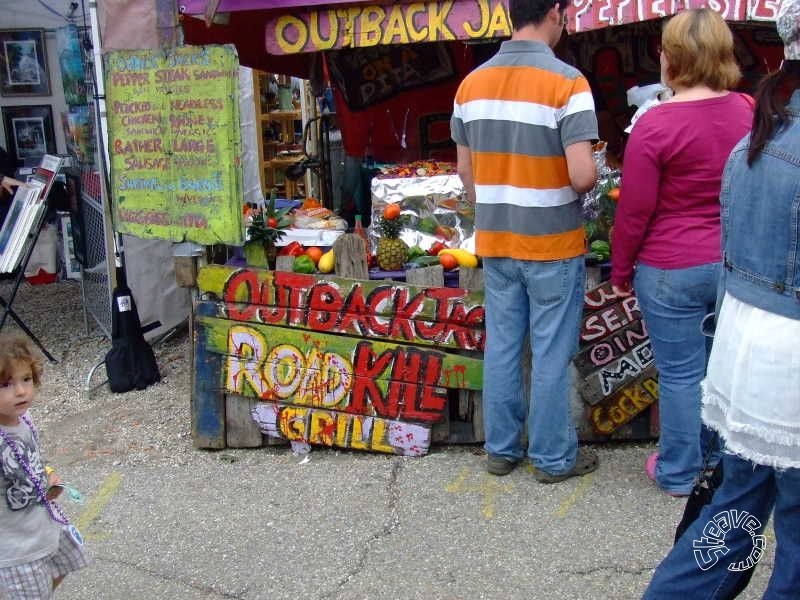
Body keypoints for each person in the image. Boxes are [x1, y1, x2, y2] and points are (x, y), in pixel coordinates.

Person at [642, 1, 800, 595]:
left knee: (736, 507)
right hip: (787, 356)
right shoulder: (749, 121)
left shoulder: (762, 133)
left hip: (749, 346)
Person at [451, 0, 599, 482]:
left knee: (503, 346)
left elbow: (466, 178)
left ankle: (501, 450)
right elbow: (581, 177)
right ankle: (554, 459)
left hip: (497, 240)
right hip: (552, 243)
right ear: (555, 12)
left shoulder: (470, 85)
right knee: (551, 352)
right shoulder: (568, 83)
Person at [610, 8, 754, 496]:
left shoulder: (655, 124)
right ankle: (723, 469)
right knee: (723, 374)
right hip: (734, 264)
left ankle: (678, 472)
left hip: (669, 266)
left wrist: (621, 269)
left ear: (670, 58)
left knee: (680, 375)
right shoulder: (750, 111)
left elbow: (634, 211)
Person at [0, 335, 89, 598]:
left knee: (68, 561)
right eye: (6, 384)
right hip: (18, 546)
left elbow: (32, 457)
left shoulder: (23, 418)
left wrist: (46, 475)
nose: (20, 391)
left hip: (44, 523)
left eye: (26, 379)